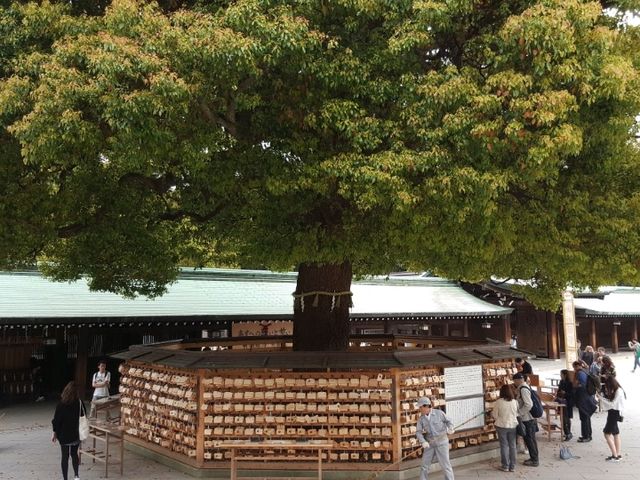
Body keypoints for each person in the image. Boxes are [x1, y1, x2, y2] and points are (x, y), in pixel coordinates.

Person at [416, 397, 455, 480]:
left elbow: (449, 421)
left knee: (446, 466)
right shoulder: (421, 419)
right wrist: (423, 441)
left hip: (442, 443)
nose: (419, 409)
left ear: (426, 406)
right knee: (424, 466)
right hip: (429, 444)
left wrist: (450, 428)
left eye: (420, 407)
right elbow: (418, 432)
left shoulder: (439, 413)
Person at [52, 381, 83, 480]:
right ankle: (76, 475)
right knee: (74, 454)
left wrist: (54, 433)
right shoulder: (79, 403)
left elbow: (56, 420)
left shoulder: (60, 404)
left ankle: (65, 478)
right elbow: (83, 416)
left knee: (64, 457)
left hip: (63, 435)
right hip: (75, 433)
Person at [513, 373, 539, 467]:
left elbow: (529, 404)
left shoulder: (523, 389)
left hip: (528, 419)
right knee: (530, 439)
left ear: (518, 380)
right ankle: (534, 458)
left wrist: (519, 413)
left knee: (529, 439)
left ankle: (535, 460)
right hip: (528, 418)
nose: (514, 382)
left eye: (514, 381)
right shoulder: (523, 387)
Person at [491, 384, 518, 472]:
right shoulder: (514, 401)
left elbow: (495, 415)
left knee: (504, 446)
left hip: (501, 425)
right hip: (513, 425)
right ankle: (512, 466)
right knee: (513, 445)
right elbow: (516, 414)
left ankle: (505, 465)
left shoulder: (499, 402)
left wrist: (491, 414)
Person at [601, 376, 625, 461]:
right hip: (614, 413)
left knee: (606, 434)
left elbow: (612, 404)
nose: (607, 388)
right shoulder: (618, 390)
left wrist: (601, 399)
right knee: (616, 434)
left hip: (614, 413)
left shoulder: (618, 391)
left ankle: (615, 456)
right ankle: (617, 454)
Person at [573, 360, 597, 442]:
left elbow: (582, 385)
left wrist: (576, 385)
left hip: (583, 398)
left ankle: (586, 436)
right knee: (586, 418)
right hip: (586, 398)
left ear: (577, 366)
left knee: (584, 418)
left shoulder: (580, 373)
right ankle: (587, 435)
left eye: (574, 367)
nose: (574, 369)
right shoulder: (585, 371)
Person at [556, 369, 574, 441]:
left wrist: (565, 393)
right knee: (562, 418)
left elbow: (572, 394)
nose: (560, 375)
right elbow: (559, 391)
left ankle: (568, 433)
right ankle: (567, 432)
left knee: (566, 418)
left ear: (565, 375)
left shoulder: (569, 383)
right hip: (561, 401)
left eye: (561, 374)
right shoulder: (561, 381)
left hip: (567, 402)